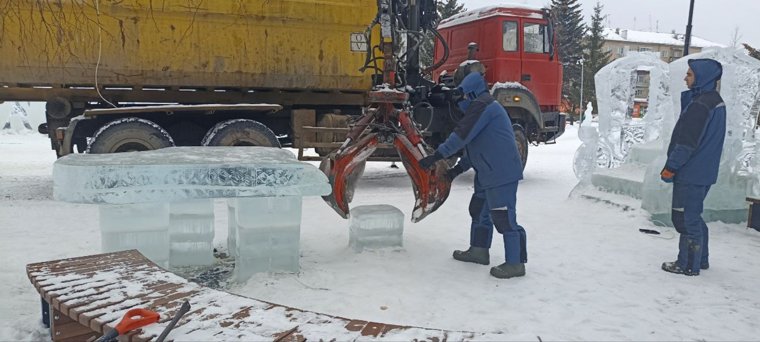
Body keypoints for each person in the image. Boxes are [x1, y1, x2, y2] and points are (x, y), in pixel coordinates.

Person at [419, 71, 527, 279]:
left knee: (503, 217)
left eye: (459, 97)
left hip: (500, 173)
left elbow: (461, 136)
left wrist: (437, 155)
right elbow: (473, 147)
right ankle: (479, 250)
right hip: (486, 172)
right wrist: (456, 171)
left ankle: (515, 263)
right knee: (479, 211)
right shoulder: (481, 109)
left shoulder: (484, 105)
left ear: (469, 93)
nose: (457, 103)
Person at [660, 58, 726, 276]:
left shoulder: (700, 105)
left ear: (702, 77)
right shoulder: (713, 100)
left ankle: (687, 263)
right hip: (703, 171)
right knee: (694, 215)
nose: (685, 77)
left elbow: (687, 142)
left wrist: (671, 167)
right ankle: (701, 259)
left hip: (691, 172)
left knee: (685, 218)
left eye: (689, 74)